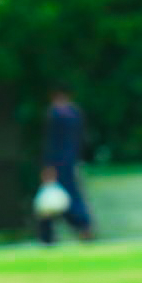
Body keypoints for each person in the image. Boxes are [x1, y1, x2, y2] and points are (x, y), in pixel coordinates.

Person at [37, 83, 94, 244]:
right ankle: (83, 226)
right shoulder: (75, 113)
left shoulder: (54, 113)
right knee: (71, 195)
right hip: (72, 161)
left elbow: (51, 142)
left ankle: (48, 235)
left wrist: (47, 165)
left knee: (53, 198)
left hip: (57, 162)